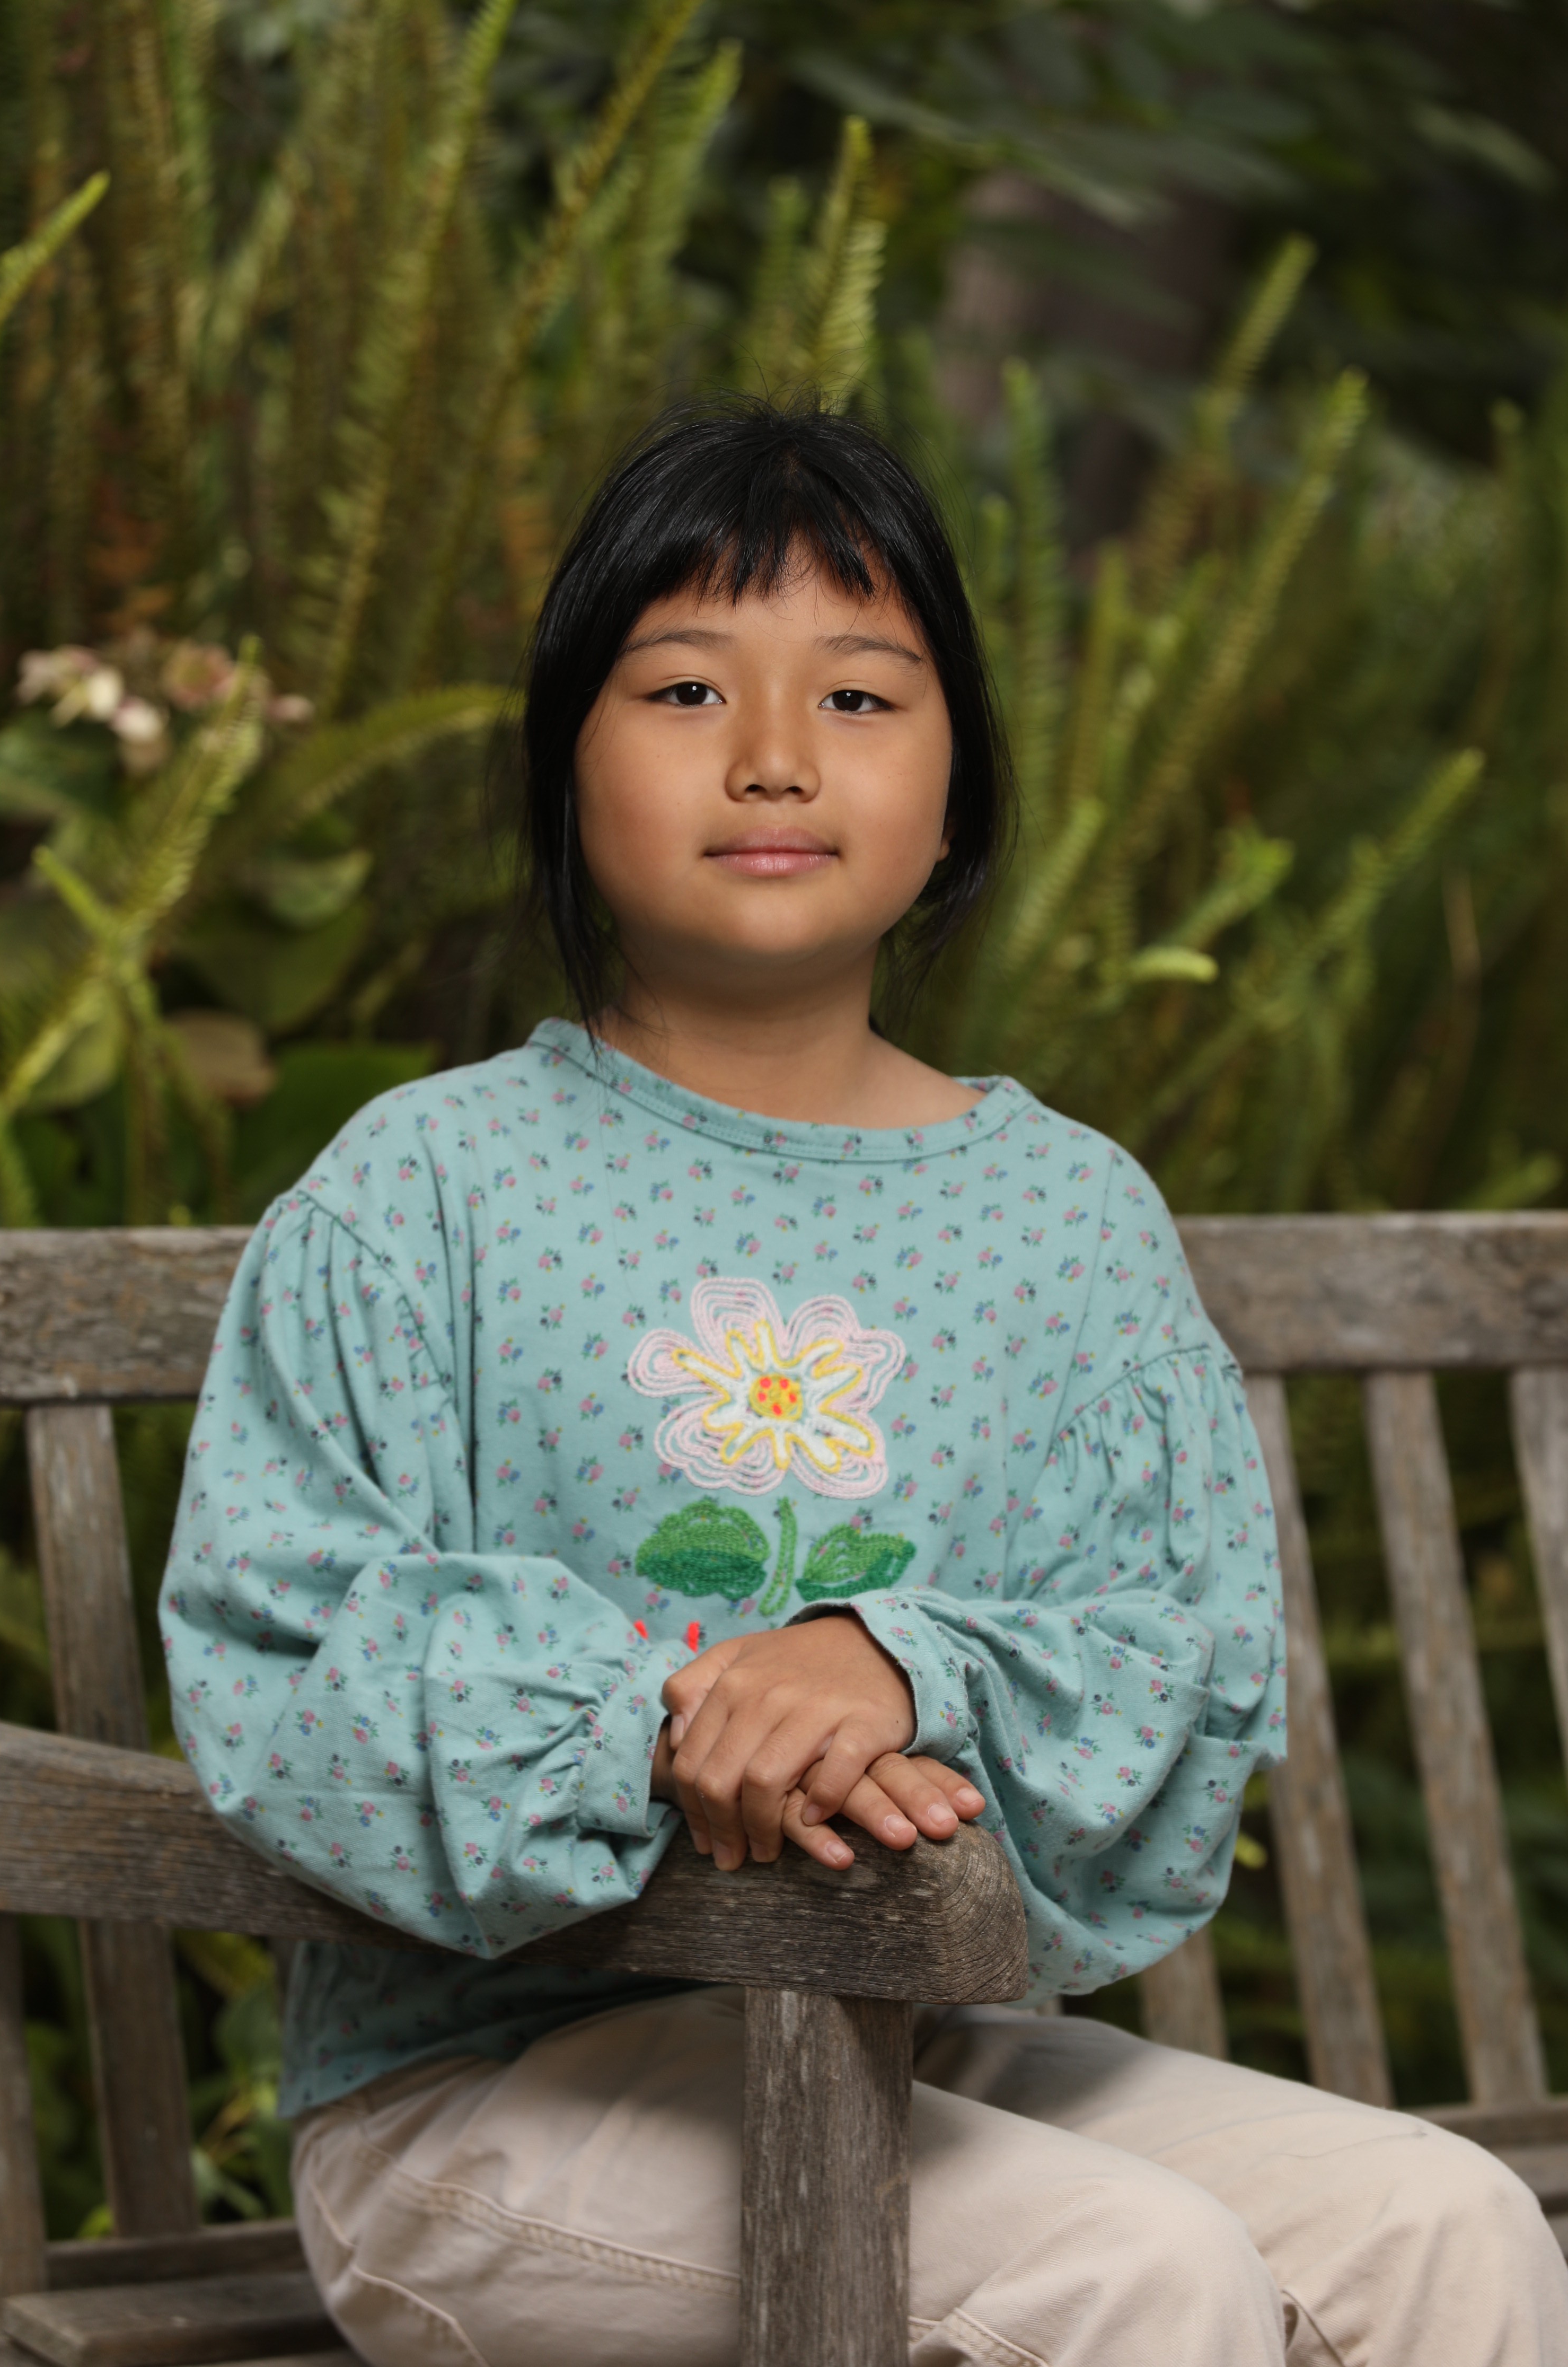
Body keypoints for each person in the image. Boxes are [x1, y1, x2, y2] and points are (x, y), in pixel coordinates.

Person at [162, 397, 1566, 2366]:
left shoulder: (1069, 1217)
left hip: (908, 2039)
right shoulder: (426, 1188)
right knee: (1133, 2269)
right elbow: (285, 1635)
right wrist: (674, 1725)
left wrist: (901, 1669)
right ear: (564, 764)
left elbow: (1173, 1659)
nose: (772, 756)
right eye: (683, 689)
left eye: (858, 697)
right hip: (480, 2092)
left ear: (958, 782)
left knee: (1448, 2224)